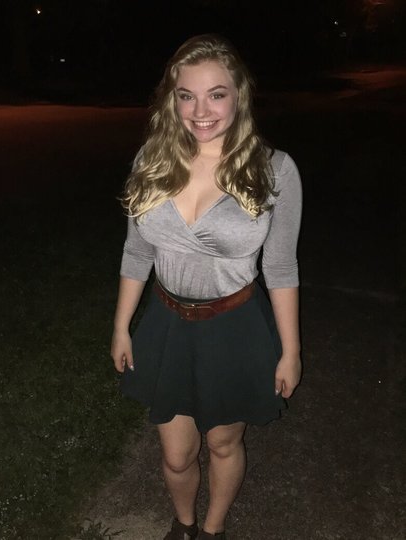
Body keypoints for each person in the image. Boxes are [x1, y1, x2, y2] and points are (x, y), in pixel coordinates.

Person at [111, 34, 302, 540]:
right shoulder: (151, 162)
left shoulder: (275, 170)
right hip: (166, 324)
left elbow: (281, 267)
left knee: (222, 443)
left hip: (234, 326)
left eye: (216, 94)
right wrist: (122, 326)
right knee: (176, 454)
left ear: (239, 96)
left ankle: (213, 530)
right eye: (186, 95)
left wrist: (290, 352)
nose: (201, 111)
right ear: (171, 100)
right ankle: (184, 524)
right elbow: (137, 253)